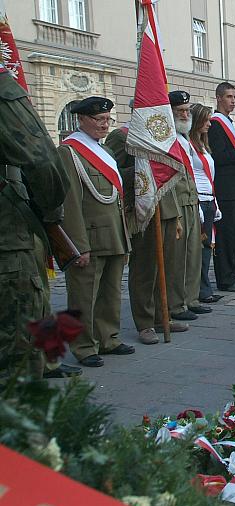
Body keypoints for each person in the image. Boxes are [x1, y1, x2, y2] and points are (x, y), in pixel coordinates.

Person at [0, 64, 80, 379]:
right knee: (16, 362)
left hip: (21, 223)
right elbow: (44, 163)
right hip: (10, 235)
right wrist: (48, 215)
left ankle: (53, 357)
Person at [58, 97, 135, 367]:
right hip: (89, 235)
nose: (105, 124)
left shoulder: (105, 151)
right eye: (99, 120)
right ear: (82, 120)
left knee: (110, 291)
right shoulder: (70, 152)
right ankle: (83, 345)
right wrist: (77, 244)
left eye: (107, 119)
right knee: (83, 294)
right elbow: (70, 201)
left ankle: (108, 337)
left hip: (113, 231)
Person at [104, 109, 189, 345]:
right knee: (144, 270)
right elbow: (112, 173)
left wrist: (177, 216)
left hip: (168, 209)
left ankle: (163, 316)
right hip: (144, 210)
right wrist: (142, 172)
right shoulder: (122, 137)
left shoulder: (162, 136)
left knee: (168, 268)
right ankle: (144, 322)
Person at [169, 91, 211, 320]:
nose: (185, 115)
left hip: (193, 199)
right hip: (177, 202)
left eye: (187, 111)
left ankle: (191, 298)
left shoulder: (185, 139)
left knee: (194, 253)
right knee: (179, 257)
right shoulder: (169, 138)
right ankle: (177, 303)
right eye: (180, 112)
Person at [208, 82, 235, 293]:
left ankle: (234, 272)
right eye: (228, 97)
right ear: (218, 98)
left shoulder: (228, 122)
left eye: (234, 97)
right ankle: (225, 278)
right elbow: (218, 157)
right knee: (225, 236)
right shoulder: (215, 124)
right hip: (224, 189)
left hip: (234, 189)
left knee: (234, 235)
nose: (232, 101)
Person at [188, 103, 224, 304]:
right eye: (206, 120)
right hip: (198, 199)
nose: (210, 124)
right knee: (198, 248)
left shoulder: (203, 144)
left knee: (207, 247)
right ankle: (197, 290)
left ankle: (204, 288)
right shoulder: (188, 144)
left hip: (209, 199)